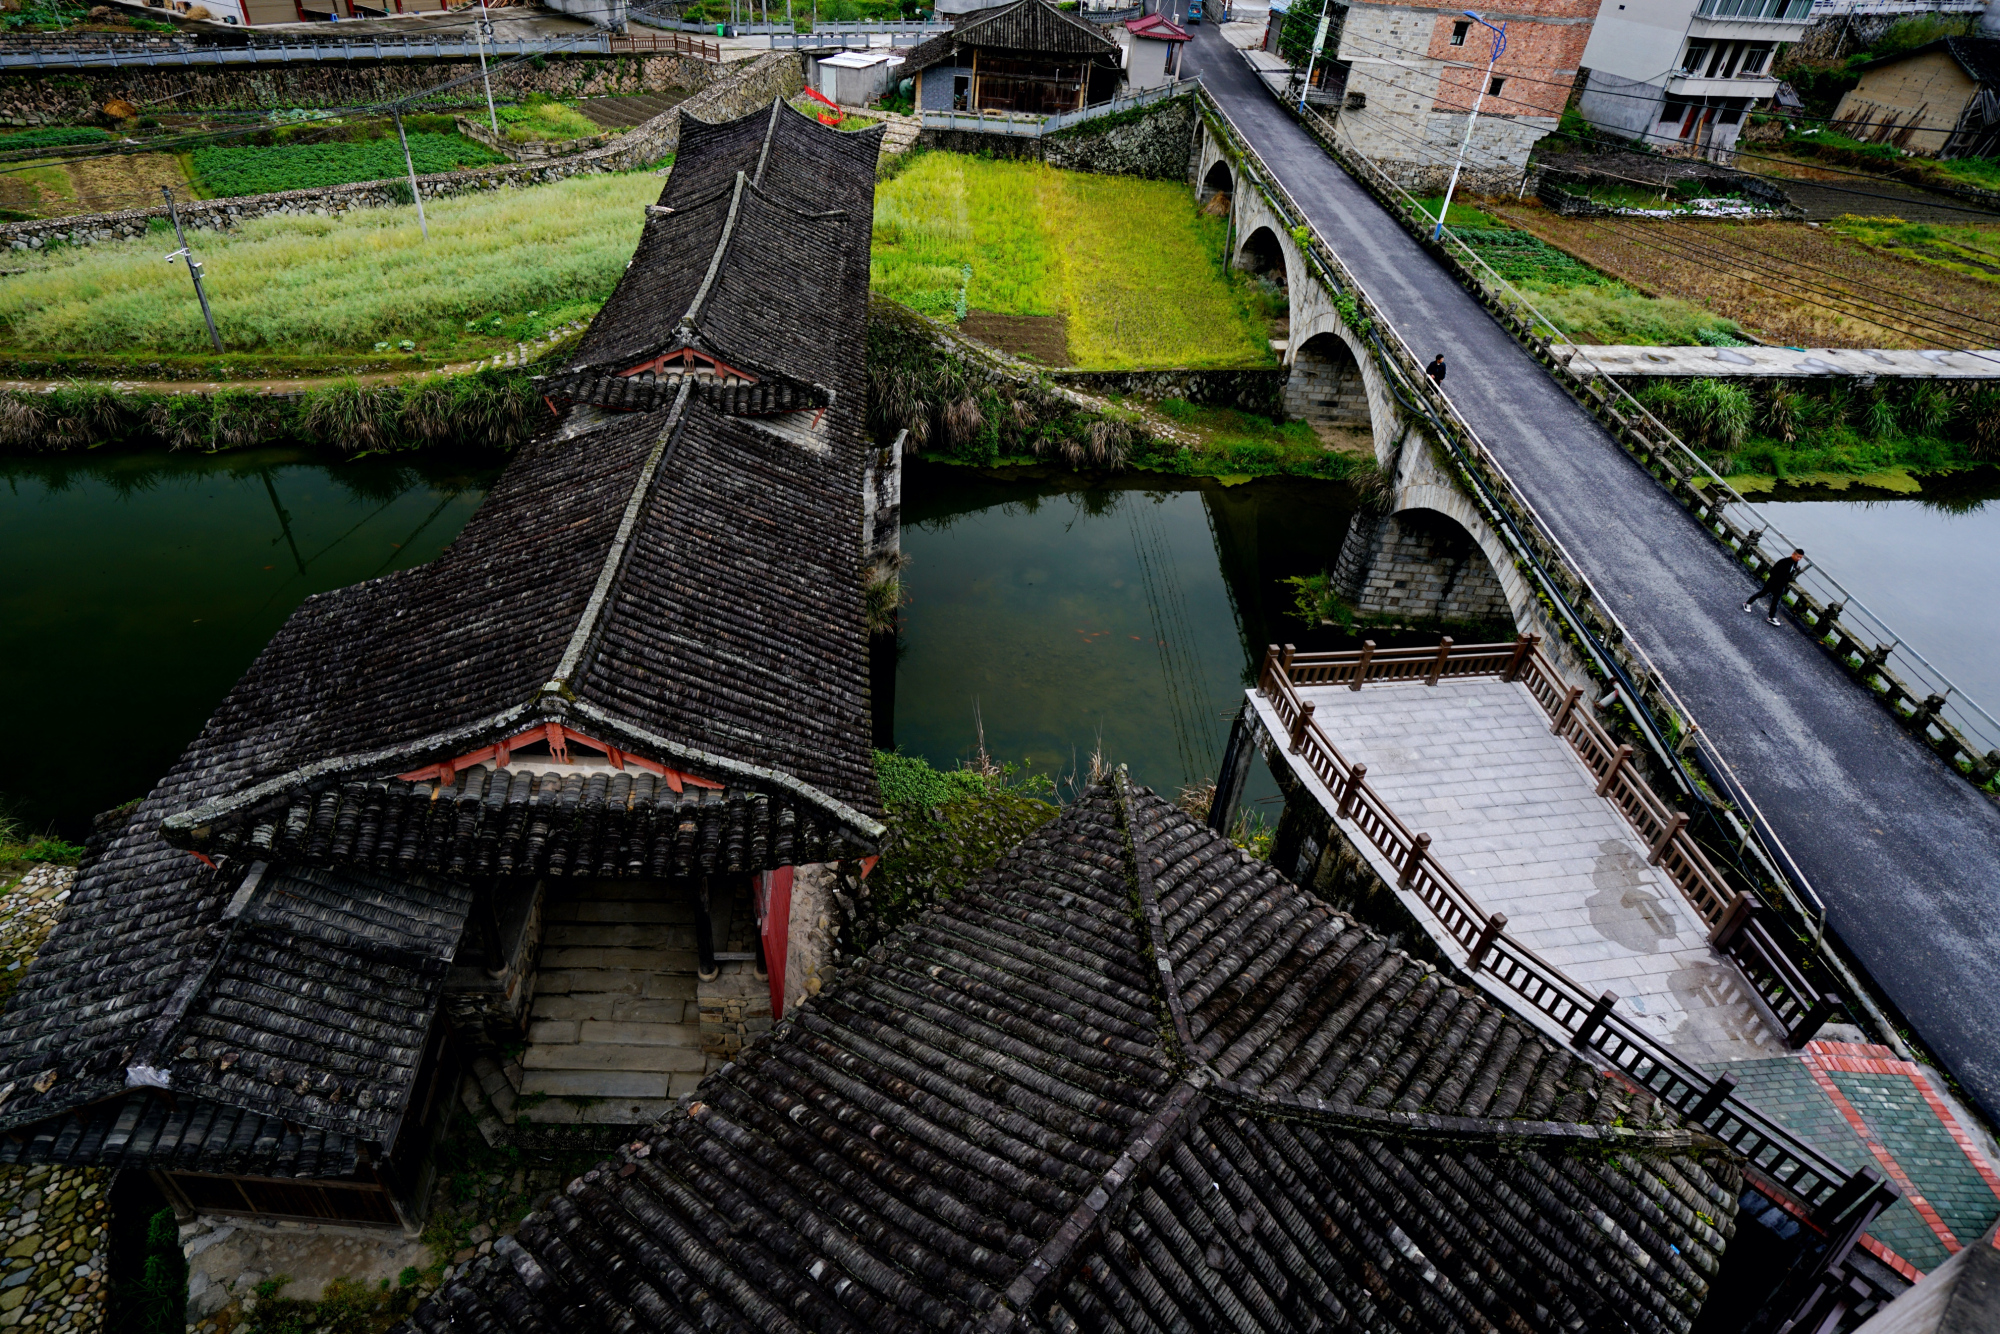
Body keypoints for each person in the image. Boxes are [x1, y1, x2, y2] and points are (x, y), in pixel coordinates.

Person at [1743, 549, 1807, 626]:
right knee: (1762, 593)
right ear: (1793, 554)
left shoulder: (1795, 563)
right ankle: (1747, 603)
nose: (1799, 558)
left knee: (1776, 601)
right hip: (1773, 582)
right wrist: (1777, 581)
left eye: (1801, 557)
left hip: (1781, 585)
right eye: (1798, 556)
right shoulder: (1783, 562)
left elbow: (1790, 575)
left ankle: (1771, 617)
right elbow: (1773, 571)